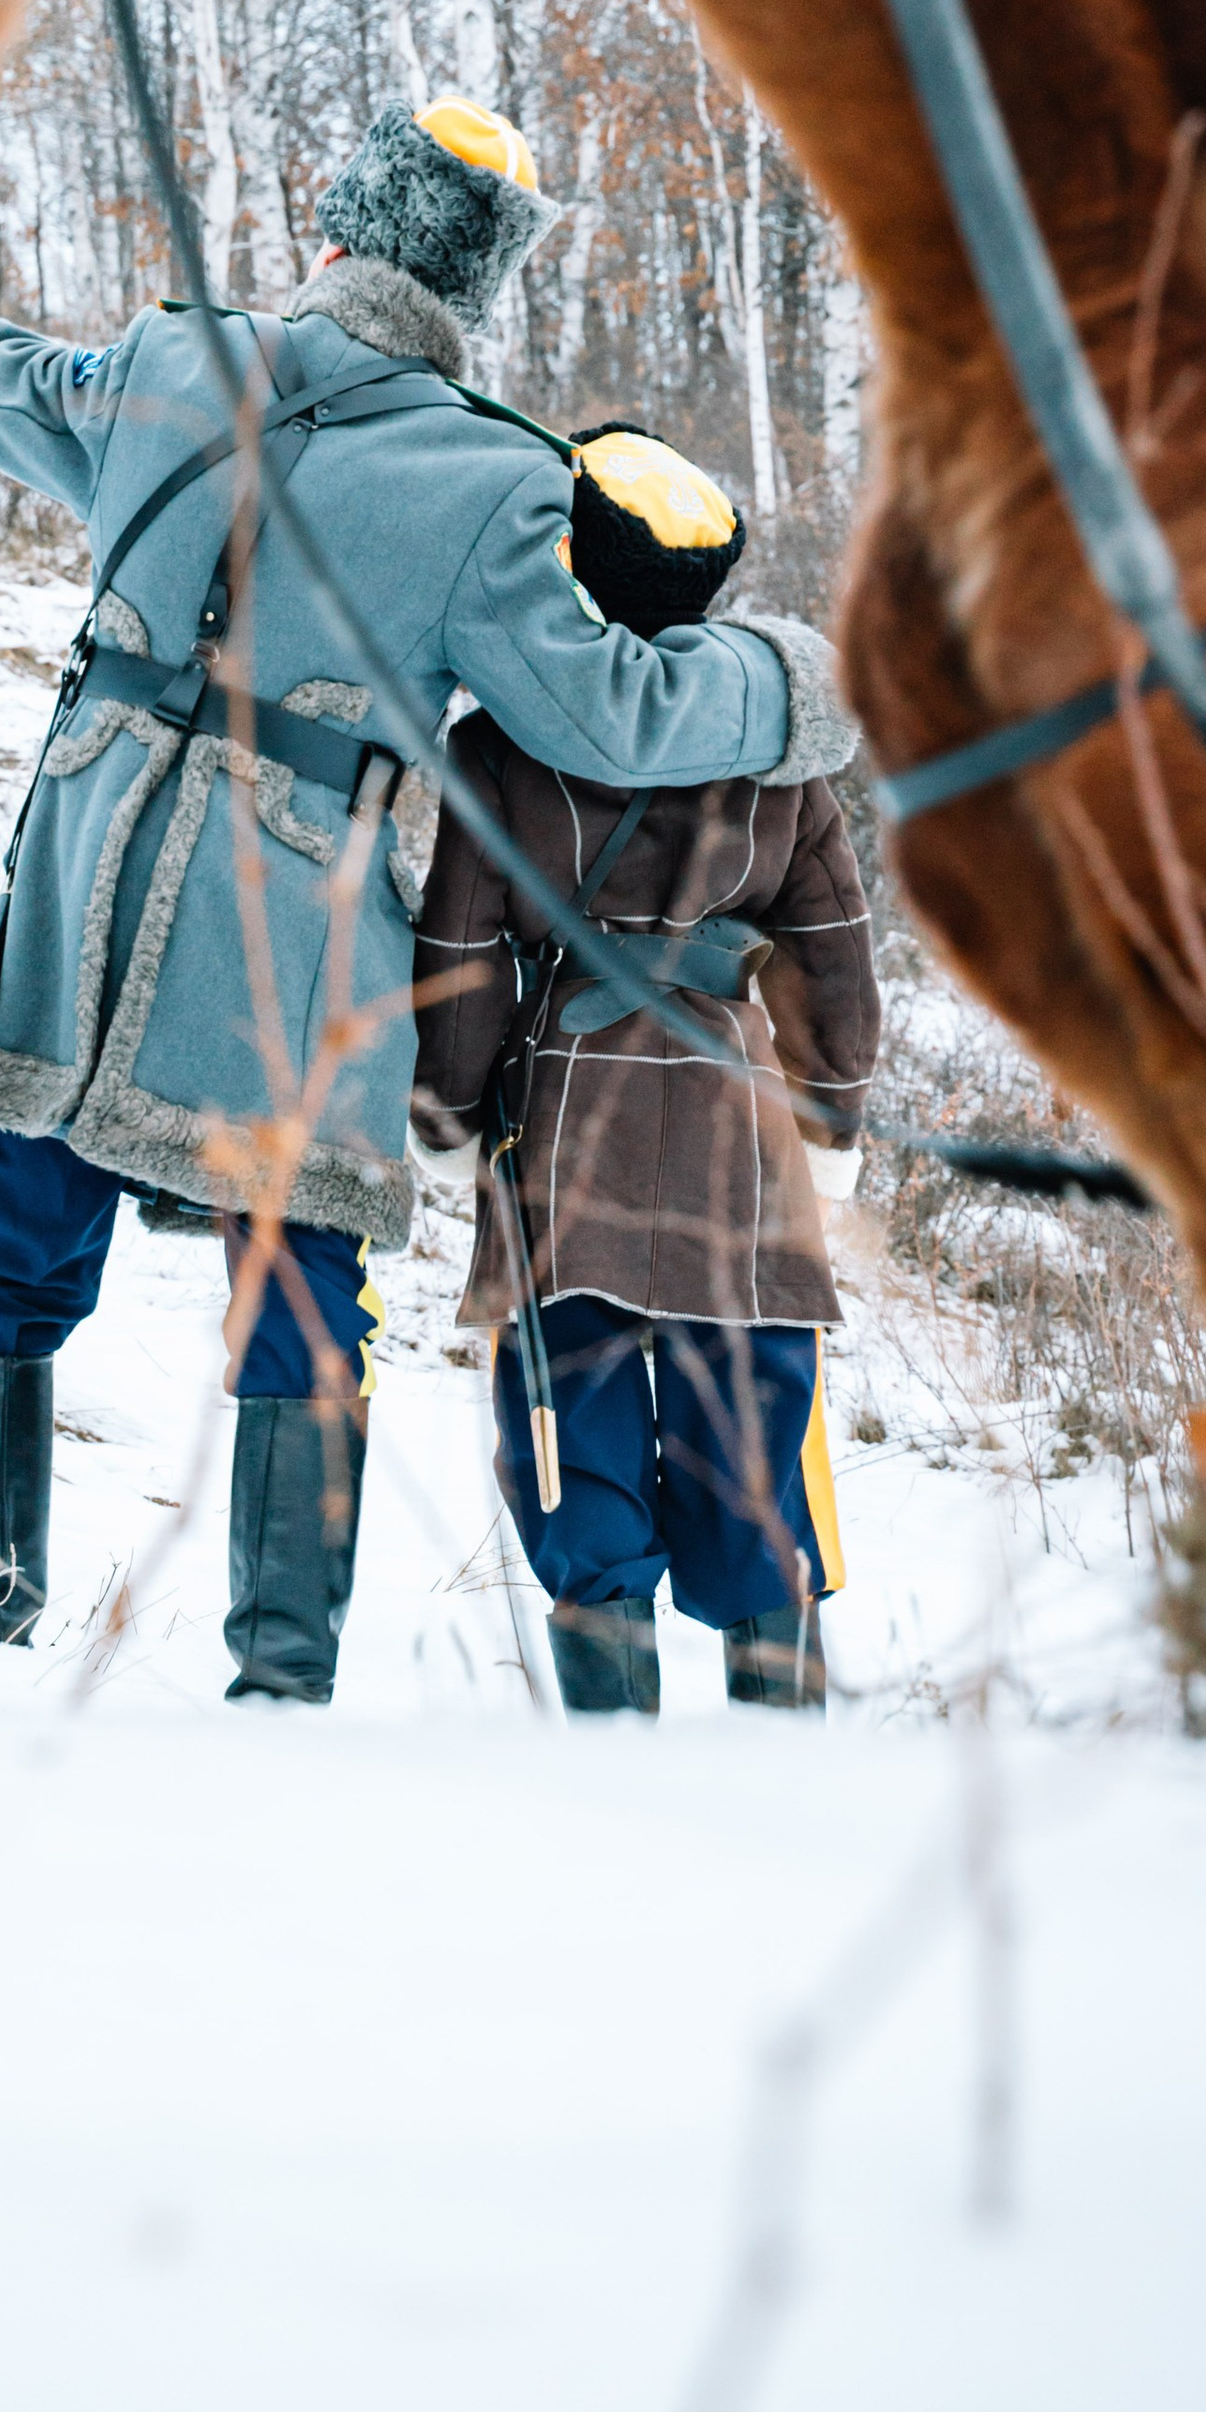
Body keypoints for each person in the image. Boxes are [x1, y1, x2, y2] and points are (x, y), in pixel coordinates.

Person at [0, 97, 858, 1699]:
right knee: (302, 1289)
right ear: (468, 291)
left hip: (82, 901)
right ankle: (280, 1684)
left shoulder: (178, 363)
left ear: (335, 235)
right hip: (293, 945)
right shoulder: (491, 480)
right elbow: (611, 714)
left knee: (10, 1243)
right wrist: (796, 680)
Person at [410, 422, 881, 1717]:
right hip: (746, 1123)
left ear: (575, 561)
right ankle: (783, 1757)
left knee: (578, 1432)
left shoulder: (502, 742)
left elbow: (459, 956)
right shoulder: (789, 752)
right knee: (753, 1438)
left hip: (568, 1125)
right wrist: (832, 1123)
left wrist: (450, 1117)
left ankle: (616, 1764)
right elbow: (835, 965)